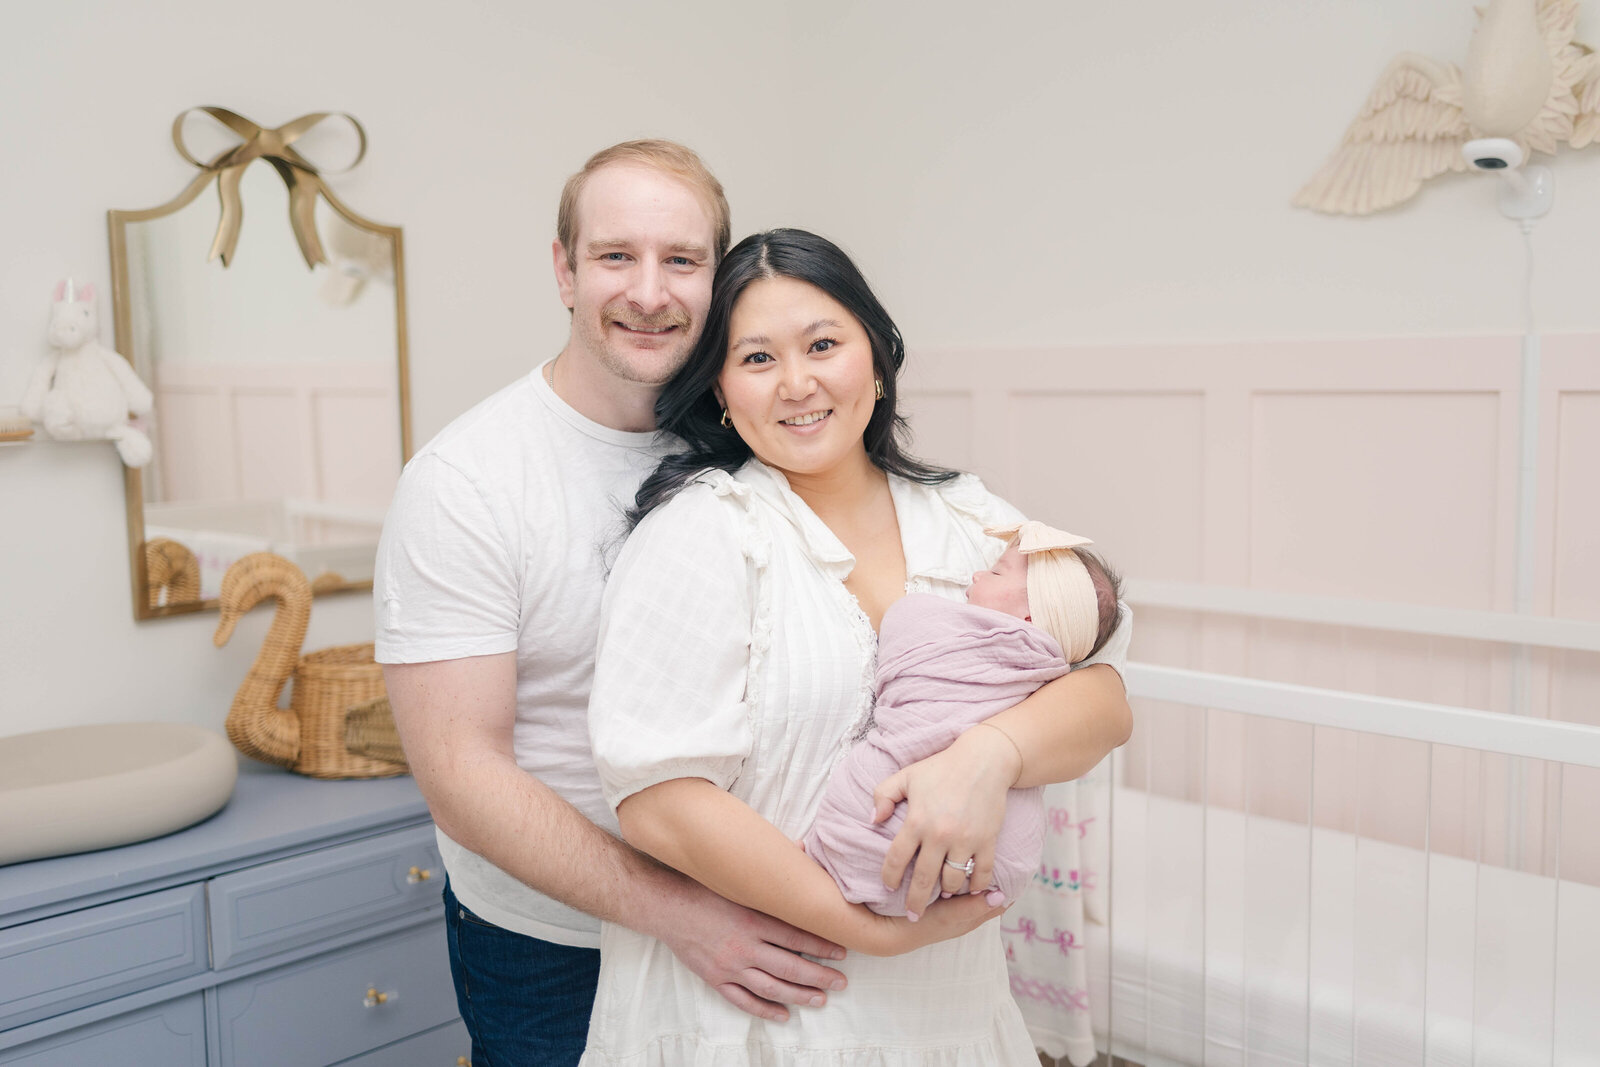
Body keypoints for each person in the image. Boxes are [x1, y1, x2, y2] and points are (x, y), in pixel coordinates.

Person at [582, 228, 1133, 1064]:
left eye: (824, 344)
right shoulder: (702, 533)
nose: (797, 383)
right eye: (757, 358)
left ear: (875, 358)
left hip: (947, 1013)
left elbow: (1105, 695)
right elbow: (659, 798)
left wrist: (988, 755)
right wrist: (865, 933)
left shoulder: (971, 519)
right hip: (762, 1010)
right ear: (723, 393)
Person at [375, 143, 860, 1067]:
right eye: (614, 257)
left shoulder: (758, 429)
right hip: (556, 946)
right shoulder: (467, 481)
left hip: (756, 915)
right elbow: (460, 772)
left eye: (681, 260)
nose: (649, 291)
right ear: (563, 268)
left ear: (718, 278)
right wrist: (685, 914)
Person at [803, 522, 1123, 918]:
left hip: (876, 819)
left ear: (1028, 617)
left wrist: (991, 752)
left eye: (996, 572)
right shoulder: (1051, 678)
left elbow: (1113, 708)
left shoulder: (1043, 674)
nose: (975, 575)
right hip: (994, 867)